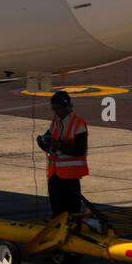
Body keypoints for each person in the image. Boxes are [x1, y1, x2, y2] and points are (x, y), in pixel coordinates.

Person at [37, 90, 89, 220]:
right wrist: (43, 142)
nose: (56, 112)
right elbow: (49, 137)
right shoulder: (56, 121)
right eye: (54, 109)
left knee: (72, 210)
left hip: (70, 175)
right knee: (57, 209)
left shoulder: (78, 124)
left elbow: (79, 150)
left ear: (67, 107)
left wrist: (59, 144)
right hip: (55, 173)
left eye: (58, 109)